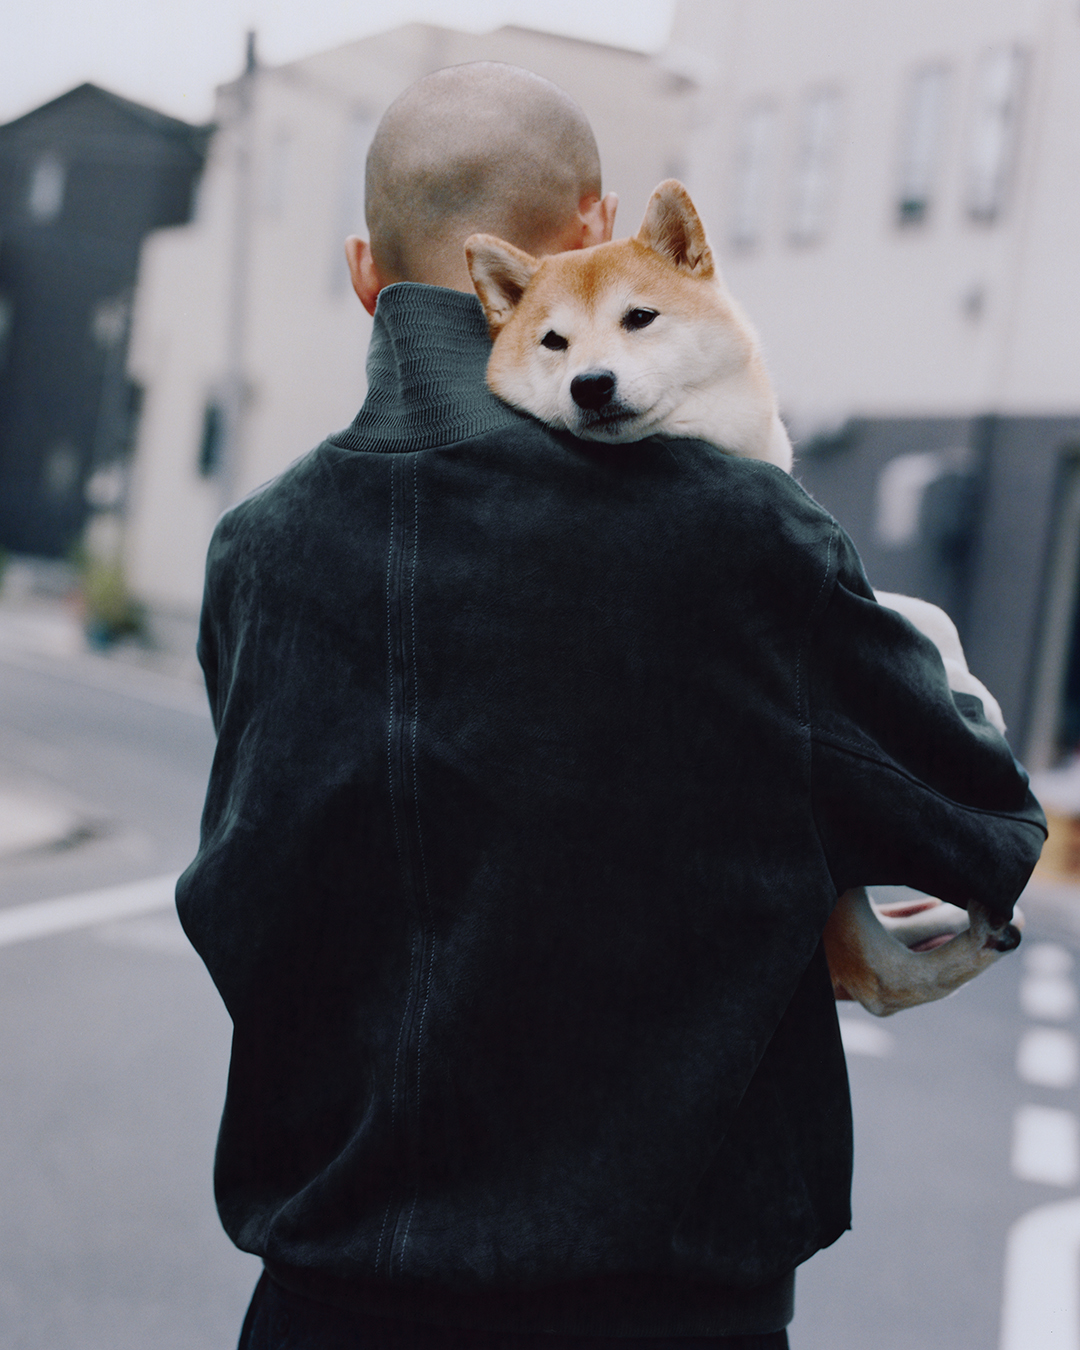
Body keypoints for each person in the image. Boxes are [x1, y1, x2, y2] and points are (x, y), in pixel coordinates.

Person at [177, 63, 1045, 1350]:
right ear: (594, 230)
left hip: (328, 1293)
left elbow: (267, 893)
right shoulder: (742, 535)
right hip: (664, 1302)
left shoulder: (257, 554)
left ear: (366, 274)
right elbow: (982, 829)